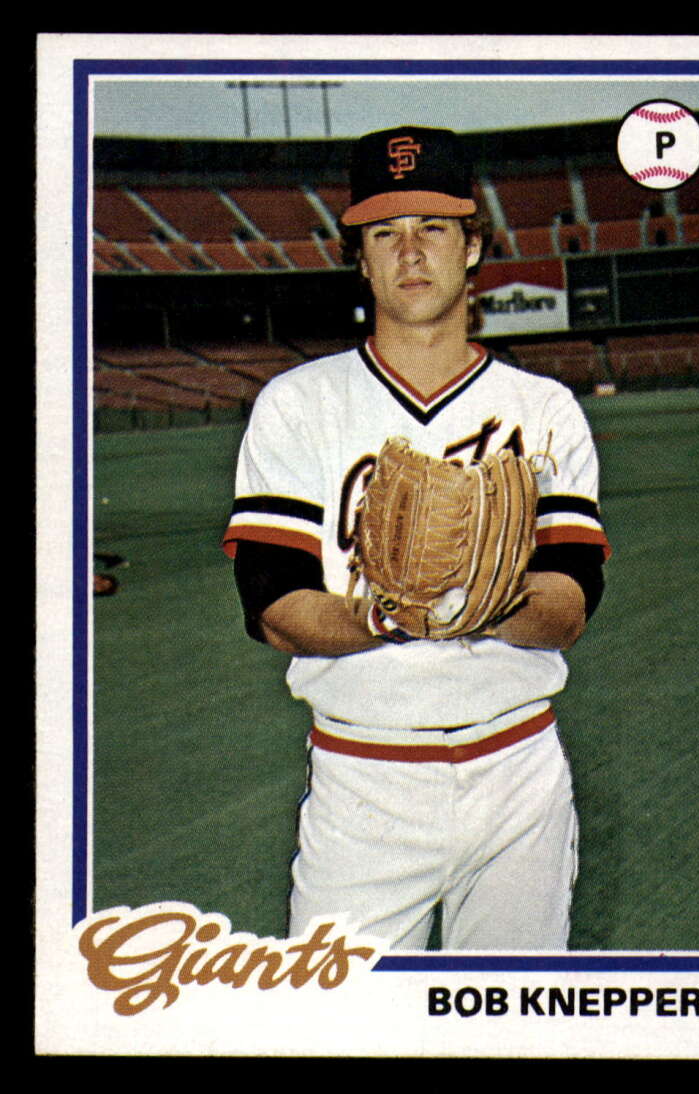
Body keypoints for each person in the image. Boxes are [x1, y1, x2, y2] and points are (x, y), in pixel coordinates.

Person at [222, 126, 610, 951]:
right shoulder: (298, 404)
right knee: (344, 1015)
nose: (410, 252)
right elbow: (275, 607)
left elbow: (570, 603)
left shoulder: (544, 410)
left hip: (518, 774)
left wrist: (474, 598)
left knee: (507, 1016)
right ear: (359, 259)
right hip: (363, 784)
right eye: (384, 233)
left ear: (473, 247)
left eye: (433, 227)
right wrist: (386, 615)